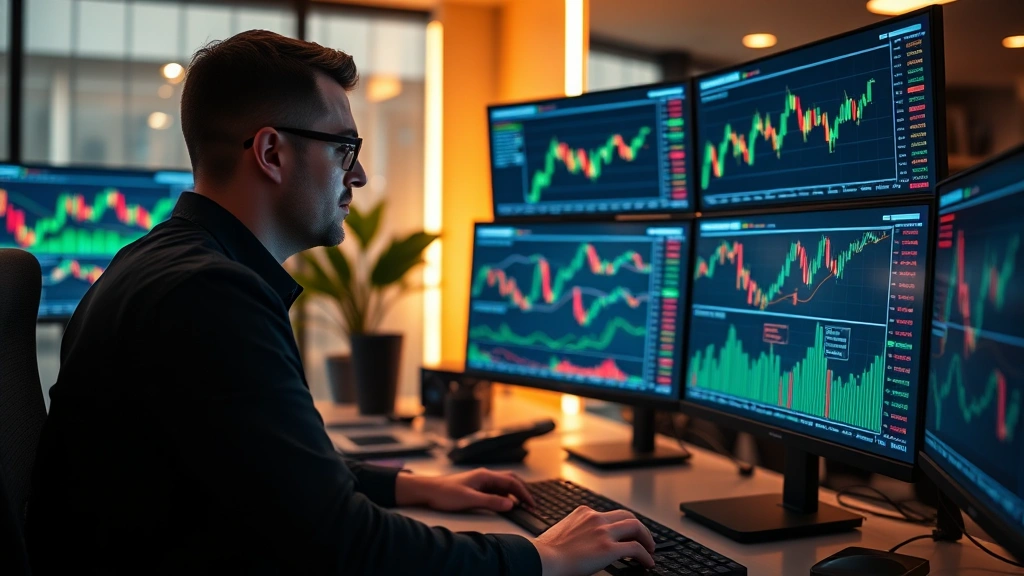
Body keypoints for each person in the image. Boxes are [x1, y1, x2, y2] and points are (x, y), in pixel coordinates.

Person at [25, 30, 656, 576]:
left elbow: (273, 468)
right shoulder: (211, 297)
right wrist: (542, 558)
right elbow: (346, 547)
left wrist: (416, 486)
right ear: (272, 153)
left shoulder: (161, 262)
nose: (357, 176)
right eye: (343, 149)